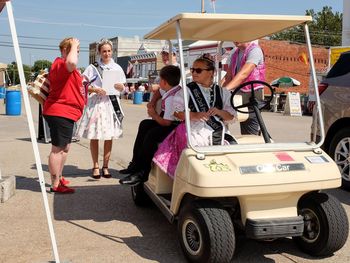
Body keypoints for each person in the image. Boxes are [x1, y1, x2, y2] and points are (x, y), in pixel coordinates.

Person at [153, 54, 236, 178]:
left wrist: (219, 112)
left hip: (217, 130)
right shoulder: (186, 91)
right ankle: (192, 177)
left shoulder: (222, 92)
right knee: (195, 146)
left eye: (198, 70)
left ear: (211, 72)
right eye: (192, 70)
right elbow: (177, 113)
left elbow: (230, 117)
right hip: (191, 129)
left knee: (231, 148)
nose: (194, 73)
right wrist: (194, 115)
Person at [119, 45, 179, 174]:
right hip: (162, 108)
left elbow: (161, 89)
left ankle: (143, 169)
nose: (164, 56)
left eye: (167, 54)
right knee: (145, 126)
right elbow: (160, 90)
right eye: (162, 54)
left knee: (152, 134)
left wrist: (156, 93)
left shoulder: (176, 71)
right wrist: (152, 103)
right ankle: (136, 163)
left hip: (171, 114)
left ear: (174, 55)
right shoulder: (165, 70)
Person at [75, 38, 126, 179]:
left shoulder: (117, 68)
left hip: (111, 105)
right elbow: (82, 85)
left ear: (112, 51)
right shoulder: (92, 68)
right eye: (104, 51)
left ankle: (106, 166)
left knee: (109, 136)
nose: (107, 54)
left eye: (109, 51)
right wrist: (95, 90)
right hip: (97, 104)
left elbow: (123, 87)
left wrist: (120, 87)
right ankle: (96, 166)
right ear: (99, 52)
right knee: (95, 136)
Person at [43, 37, 87, 194]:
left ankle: (59, 177)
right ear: (64, 51)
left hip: (65, 113)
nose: (76, 53)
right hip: (60, 112)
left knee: (65, 148)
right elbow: (72, 63)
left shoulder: (63, 66)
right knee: (57, 149)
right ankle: (55, 184)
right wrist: (74, 44)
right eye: (74, 50)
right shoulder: (62, 64)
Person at [221, 40, 265, 135]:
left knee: (249, 128)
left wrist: (225, 90)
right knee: (219, 113)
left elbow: (244, 74)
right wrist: (217, 89)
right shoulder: (234, 53)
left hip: (252, 95)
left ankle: (252, 142)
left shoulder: (255, 50)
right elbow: (228, 76)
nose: (234, 40)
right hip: (239, 94)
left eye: (238, 37)